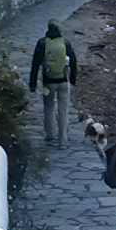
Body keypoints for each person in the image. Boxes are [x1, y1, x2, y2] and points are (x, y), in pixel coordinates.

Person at [29, 19, 77, 148]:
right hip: (63, 81)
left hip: (48, 82)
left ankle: (50, 135)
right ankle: (63, 141)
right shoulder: (65, 43)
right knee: (63, 111)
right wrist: (72, 79)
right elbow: (73, 62)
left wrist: (32, 84)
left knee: (49, 107)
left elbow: (35, 65)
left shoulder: (42, 43)